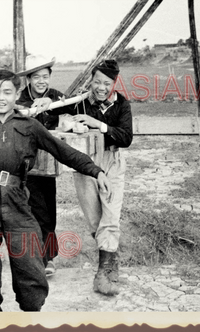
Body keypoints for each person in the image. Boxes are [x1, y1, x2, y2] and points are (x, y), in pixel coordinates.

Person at [0, 68, 112, 312]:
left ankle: (30, 314)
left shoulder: (29, 126)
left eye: (7, 92)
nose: (1, 97)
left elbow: (64, 152)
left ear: (17, 94)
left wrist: (96, 171)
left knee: (32, 273)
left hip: (17, 203)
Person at [71, 59, 133, 296]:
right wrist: (49, 101)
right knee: (94, 220)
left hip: (112, 162)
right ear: (91, 81)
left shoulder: (122, 104)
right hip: (85, 163)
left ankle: (101, 276)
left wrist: (98, 125)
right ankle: (111, 265)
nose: (101, 87)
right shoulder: (79, 103)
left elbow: (126, 137)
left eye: (106, 83)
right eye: (97, 81)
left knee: (111, 217)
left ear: (114, 84)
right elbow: (55, 108)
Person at [15, 55, 69, 276]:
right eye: (36, 77)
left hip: (49, 164)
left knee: (48, 209)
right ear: (29, 79)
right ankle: (39, 259)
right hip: (25, 163)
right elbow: (18, 112)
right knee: (31, 210)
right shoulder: (21, 99)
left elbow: (71, 104)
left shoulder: (55, 95)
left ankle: (47, 257)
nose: (41, 81)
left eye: (45, 77)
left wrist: (51, 104)